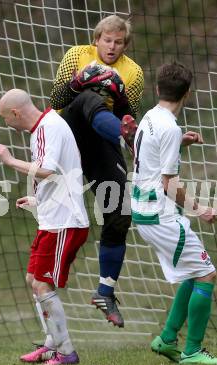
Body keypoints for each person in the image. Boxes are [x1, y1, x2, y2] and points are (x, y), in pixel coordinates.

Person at [131, 62, 217, 365]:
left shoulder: (149, 117)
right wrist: (200, 210)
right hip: (159, 215)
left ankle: (167, 339)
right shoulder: (169, 128)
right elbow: (169, 184)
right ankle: (193, 351)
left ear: (158, 89)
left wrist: (179, 143)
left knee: (192, 272)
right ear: (187, 93)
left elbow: (151, 155)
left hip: (141, 210)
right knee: (207, 274)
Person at [50, 15, 144, 328]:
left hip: (103, 138)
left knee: (120, 213)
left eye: (118, 42)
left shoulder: (133, 72)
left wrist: (118, 97)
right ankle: (129, 138)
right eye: (107, 40)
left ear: (125, 45)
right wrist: (80, 82)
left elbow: (128, 113)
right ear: (97, 39)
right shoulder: (77, 55)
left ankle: (105, 291)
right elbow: (57, 101)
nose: (112, 47)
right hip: (68, 133)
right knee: (89, 95)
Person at [0, 89, 89, 365]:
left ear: (15, 114)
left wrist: (10, 161)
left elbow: (48, 170)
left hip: (64, 221)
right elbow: (63, 170)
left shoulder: (47, 127)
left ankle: (66, 351)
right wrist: (38, 198)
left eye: (4, 118)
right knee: (32, 279)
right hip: (53, 216)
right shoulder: (45, 128)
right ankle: (50, 345)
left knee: (42, 284)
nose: (6, 124)